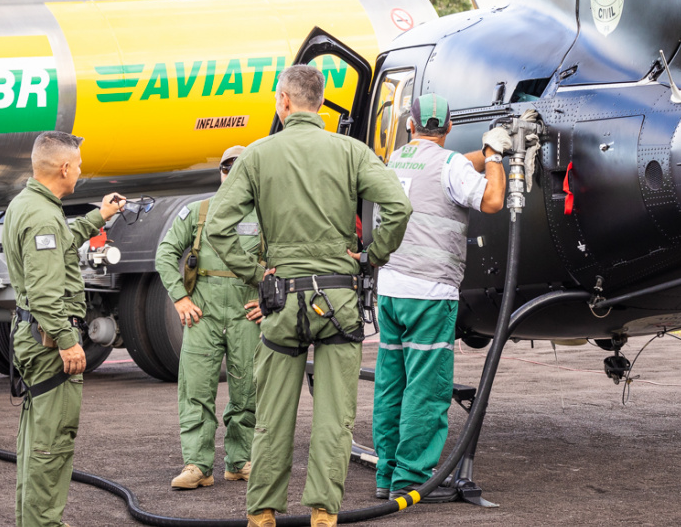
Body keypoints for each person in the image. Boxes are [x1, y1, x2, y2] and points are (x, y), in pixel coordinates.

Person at [205, 65, 411, 527]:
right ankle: (323, 511)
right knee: (334, 417)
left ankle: (261, 512)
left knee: (273, 413)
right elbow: (399, 206)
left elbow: (217, 226)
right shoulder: (352, 152)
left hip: (281, 299)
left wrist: (255, 271)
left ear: (283, 101)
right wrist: (370, 256)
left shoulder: (258, 155)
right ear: (319, 103)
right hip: (339, 299)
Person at [372, 94, 513, 502]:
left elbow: (443, 167)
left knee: (392, 382)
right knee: (426, 387)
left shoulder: (396, 160)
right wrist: (497, 159)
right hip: (429, 294)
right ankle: (412, 479)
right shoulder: (449, 165)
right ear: (448, 128)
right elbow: (492, 200)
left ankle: (387, 474)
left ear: (411, 126)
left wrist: (482, 154)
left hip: (392, 289)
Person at [2, 131, 125, 527]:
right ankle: (43, 523)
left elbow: (61, 242)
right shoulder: (41, 214)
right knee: (51, 444)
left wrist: (98, 216)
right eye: (80, 165)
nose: (81, 171)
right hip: (47, 339)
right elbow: (43, 292)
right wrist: (68, 342)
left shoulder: (29, 205)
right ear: (65, 167)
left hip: (33, 335)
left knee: (36, 439)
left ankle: (33, 520)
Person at [154, 145, 264, 490]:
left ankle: (240, 461)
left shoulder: (266, 217)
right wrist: (181, 297)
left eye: (239, 168)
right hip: (203, 315)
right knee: (196, 390)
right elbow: (165, 254)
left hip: (246, 314)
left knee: (248, 391)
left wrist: (268, 301)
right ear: (221, 173)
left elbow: (283, 263)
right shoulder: (198, 212)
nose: (231, 174)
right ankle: (197, 465)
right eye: (226, 168)